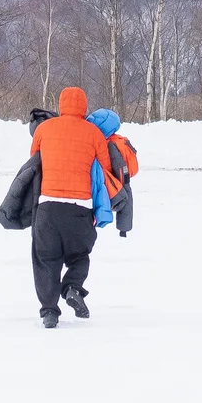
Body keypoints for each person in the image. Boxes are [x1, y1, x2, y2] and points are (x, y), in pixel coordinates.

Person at [27, 87, 116, 327]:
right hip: (80, 207)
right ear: (84, 107)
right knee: (79, 255)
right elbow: (104, 168)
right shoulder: (94, 133)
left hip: (48, 206)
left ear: (61, 104)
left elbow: (35, 160)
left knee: (46, 259)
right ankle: (73, 288)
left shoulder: (44, 129)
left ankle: (49, 312)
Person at [87, 107, 140, 236]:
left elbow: (124, 182)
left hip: (113, 186)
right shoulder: (107, 142)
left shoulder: (111, 145)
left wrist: (123, 228)